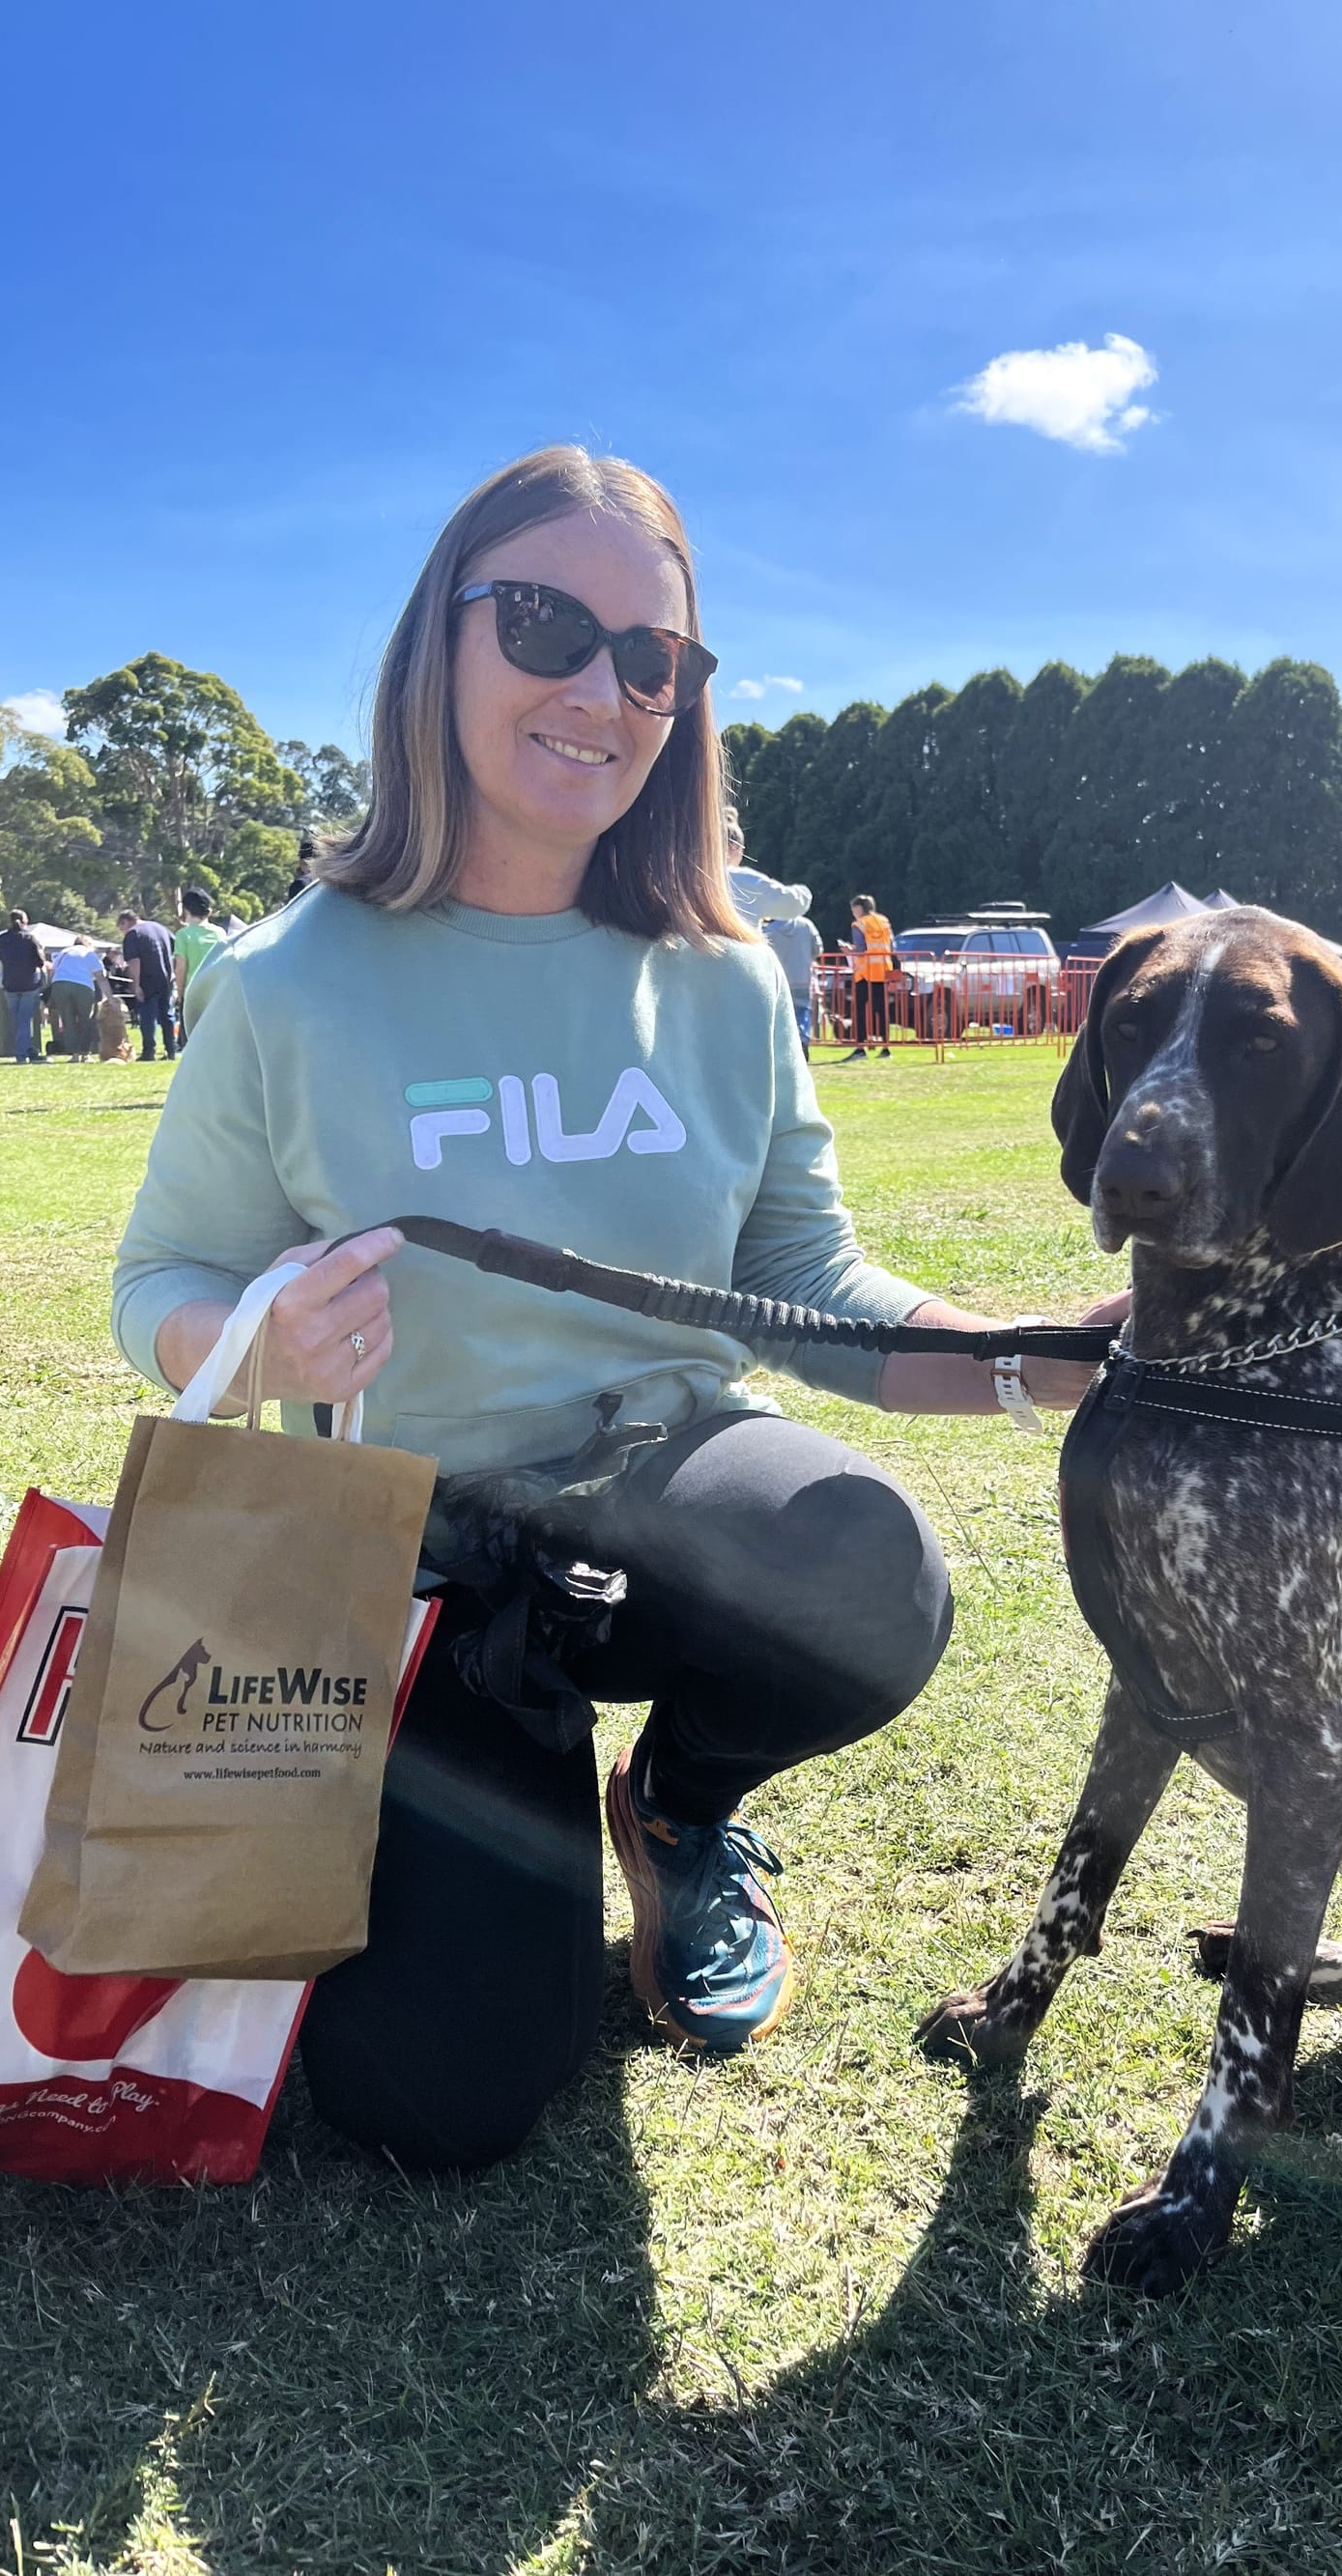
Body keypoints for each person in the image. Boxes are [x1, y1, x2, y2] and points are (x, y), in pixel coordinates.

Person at [111, 443, 1123, 2173]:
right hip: (414, 1570)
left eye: (652, 656)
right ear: (440, 641)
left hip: (664, 1501)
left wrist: (1041, 1361)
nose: (602, 689)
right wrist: (255, 1340)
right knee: (438, 2096)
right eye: (545, 626)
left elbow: (806, 1285)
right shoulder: (286, 981)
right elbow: (160, 1281)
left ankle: (674, 1807)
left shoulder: (728, 978)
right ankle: (493, 1792)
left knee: (868, 1564)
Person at [722, 809, 813, 933]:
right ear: (735, 847)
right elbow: (791, 904)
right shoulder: (746, 881)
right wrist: (804, 892)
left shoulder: (695, 879)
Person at [118, 908, 178, 1061]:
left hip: (147, 978)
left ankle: (149, 1051)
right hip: (166, 978)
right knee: (167, 1014)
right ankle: (171, 1050)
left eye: (121, 928)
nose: (122, 932)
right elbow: (176, 950)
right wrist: (173, 972)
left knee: (148, 1016)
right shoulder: (161, 928)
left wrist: (136, 985)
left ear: (125, 922)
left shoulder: (133, 934)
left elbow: (134, 961)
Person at [762, 905, 822, 1053]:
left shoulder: (769, 930)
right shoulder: (807, 925)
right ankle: (803, 1037)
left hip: (780, 980)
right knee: (803, 1011)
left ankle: (787, 1046)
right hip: (802, 977)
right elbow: (817, 949)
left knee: (782, 1014)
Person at [0, 910, 48, 1064]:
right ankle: (22, 1054)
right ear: (25, 922)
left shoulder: (2, 939)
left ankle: (27, 1049)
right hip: (29, 984)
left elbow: (0, 959)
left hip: (10, 984)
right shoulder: (30, 938)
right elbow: (40, 962)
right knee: (24, 1020)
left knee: (17, 1021)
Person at [844, 892, 894, 1060]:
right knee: (882, 1009)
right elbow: (891, 945)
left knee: (859, 1010)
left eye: (854, 909)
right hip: (882, 971)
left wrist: (849, 950)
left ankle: (860, 1048)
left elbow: (860, 949)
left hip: (865, 973)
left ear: (859, 908)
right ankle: (886, 1047)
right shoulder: (884, 921)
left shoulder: (859, 924)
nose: (853, 912)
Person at [46, 934, 106, 1062]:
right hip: (83, 986)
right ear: (89, 944)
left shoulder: (63, 953)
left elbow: (52, 972)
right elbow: (100, 977)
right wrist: (110, 996)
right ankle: (85, 1053)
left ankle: (74, 1055)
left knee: (68, 1021)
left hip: (60, 985)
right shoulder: (90, 954)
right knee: (86, 1020)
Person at [172, 886, 226, 1019]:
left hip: (193, 992)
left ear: (186, 910)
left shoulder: (183, 935)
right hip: (216, 991)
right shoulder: (220, 933)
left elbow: (180, 968)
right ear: (208, 911)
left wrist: (180, 994)